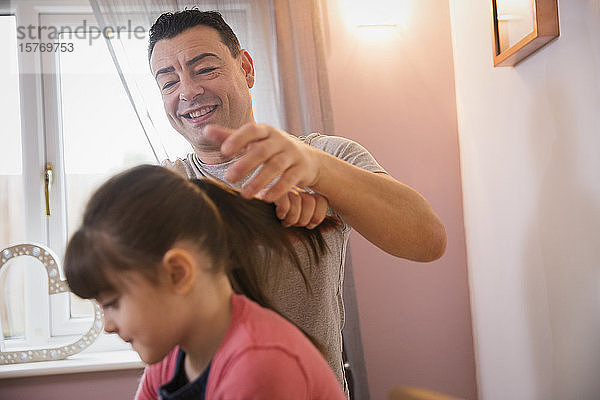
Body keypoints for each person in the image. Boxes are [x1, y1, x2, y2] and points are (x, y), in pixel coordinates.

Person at [148, 9, 447, 393]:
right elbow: (145, 331)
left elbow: (428, 239)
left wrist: (320, 172)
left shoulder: (327, 155)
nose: (187, 92)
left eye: (204, 69)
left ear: (246, 68)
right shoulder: (162, 187)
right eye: (168, 81)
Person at [63, 164, 347, 400]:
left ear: (178, 273)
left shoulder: (259, 364)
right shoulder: (173, 357)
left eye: (112, 303)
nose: (108, 326)